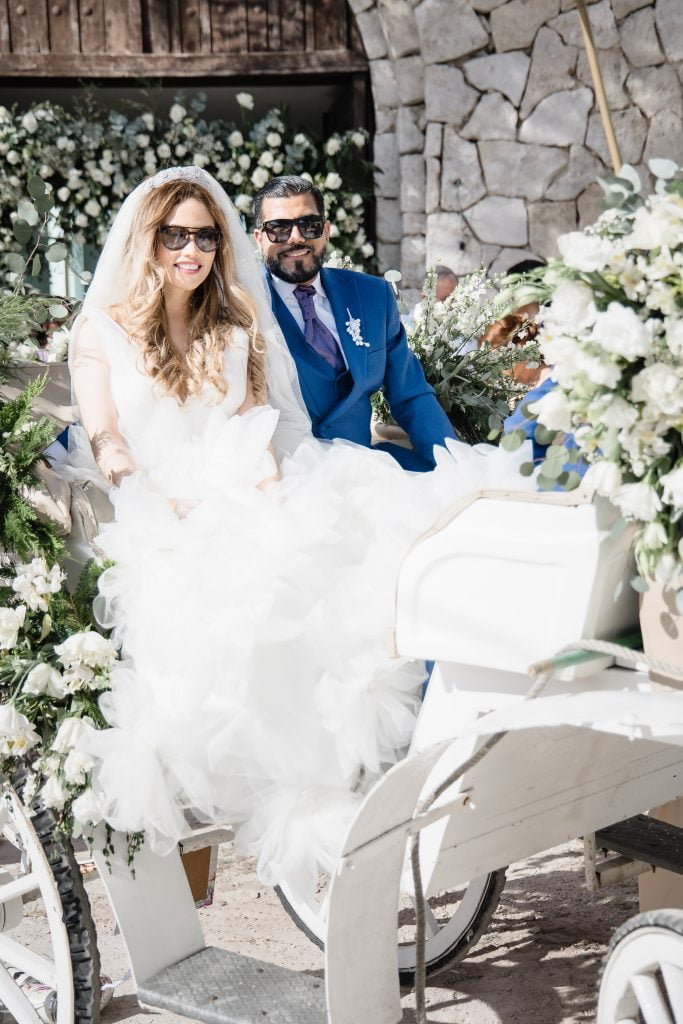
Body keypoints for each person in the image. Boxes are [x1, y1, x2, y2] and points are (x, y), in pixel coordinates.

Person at [62, 166, 536, 891]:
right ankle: (283, 792)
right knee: (235, 611)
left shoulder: (237, 323)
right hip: (156, 502)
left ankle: (385, 765)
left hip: (250, 480)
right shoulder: (102, 331)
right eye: (175, 236)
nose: (191, 251)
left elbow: (267, 424)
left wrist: (275, 488)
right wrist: (148, 495)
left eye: (204, 237)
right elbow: (106, 439)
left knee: (343, 567)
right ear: (147, 241)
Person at [253, 175, 455, 472]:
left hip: (363, 472)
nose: (295, 237)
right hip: (286, 477)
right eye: (279, 228)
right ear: (259, 238)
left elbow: (410, 394)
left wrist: (453, 463)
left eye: (309, 224)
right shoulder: (243, 306)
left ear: (326, 231)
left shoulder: (373, 295)